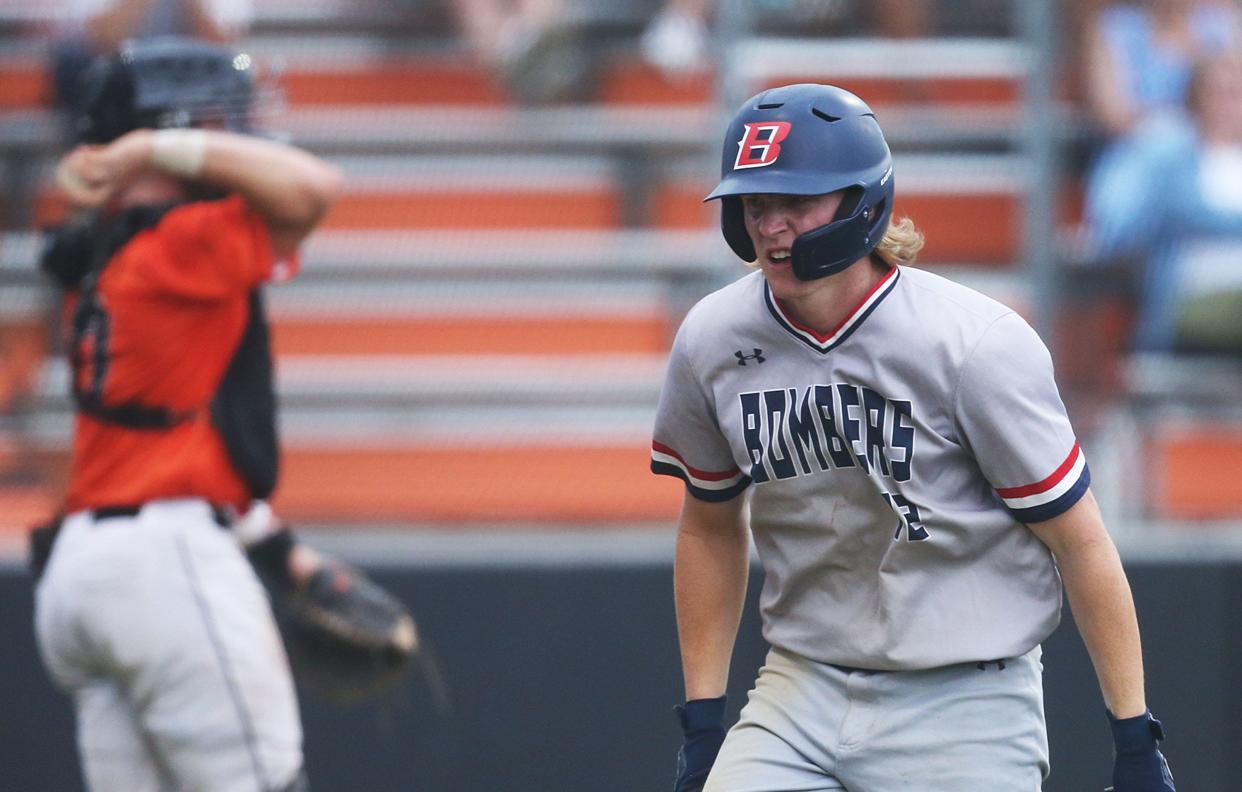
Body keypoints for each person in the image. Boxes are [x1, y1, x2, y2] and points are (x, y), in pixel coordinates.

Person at [651, 83, 1175, 791]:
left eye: (796, 203)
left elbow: (1079, 540)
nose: (771, 226)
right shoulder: (715, 339)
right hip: (799, 688)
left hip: (963, 698)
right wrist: (705, 723)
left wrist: (1135, 738)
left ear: (864, 201)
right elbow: (710, 528)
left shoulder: (973, 344)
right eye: (755, 205)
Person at [31, 37, 341, 792]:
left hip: (86, 569)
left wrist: (277, 549)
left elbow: (184, 431)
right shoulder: (176, 243)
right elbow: (314, 188)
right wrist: (159, 147)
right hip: (161, 564)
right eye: (214, 122)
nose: (233, 136)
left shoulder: (104, 249)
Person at [1086, 51, 1242, 356]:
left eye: (1236, 94)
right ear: (1196, 100)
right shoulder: (1169, 156)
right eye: (1218, 93)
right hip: (1191, 296)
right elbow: (1120, 227)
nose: (1228, 106)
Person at [1085, 0, 1238, 139]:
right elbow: (1115, 117)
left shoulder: (1220, 27)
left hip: (1213, 153)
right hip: (1139, 151)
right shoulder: (1115, 27)